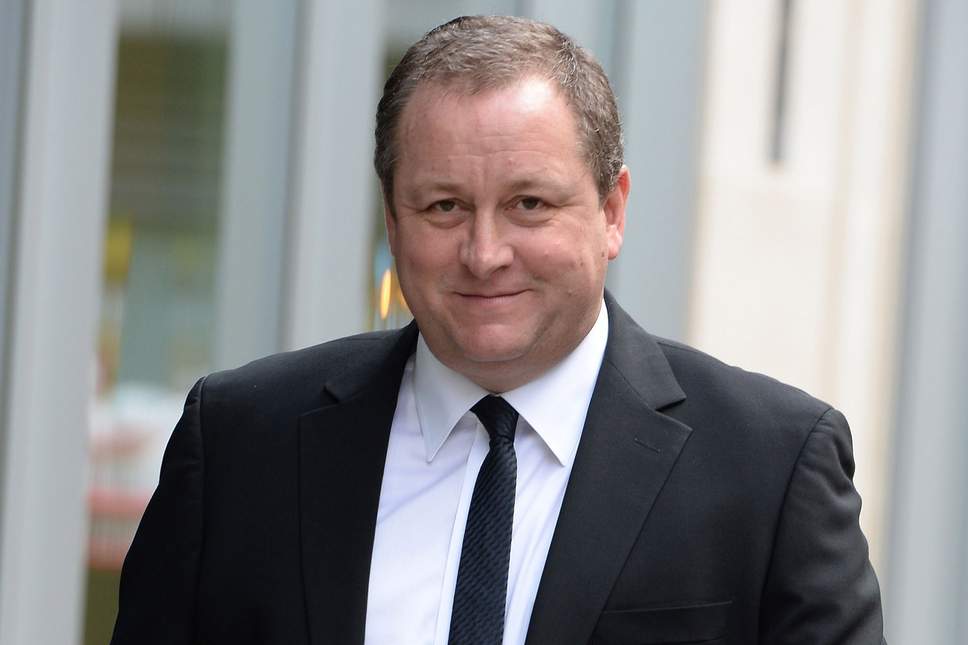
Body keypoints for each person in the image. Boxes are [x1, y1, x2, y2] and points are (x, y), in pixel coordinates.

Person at [111, 15, 885, 645]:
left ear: (612, 211)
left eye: (529, 205)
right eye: (444, 206)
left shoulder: (769, 468)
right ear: (393, 221)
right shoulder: (242, 443)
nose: (484, 254)